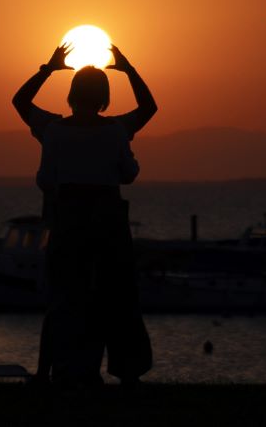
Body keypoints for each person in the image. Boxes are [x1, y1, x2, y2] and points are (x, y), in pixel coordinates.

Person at [12, 43, 157, 387]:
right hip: (109, 220)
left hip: (67, 217)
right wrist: (129, 69)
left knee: (63, 298)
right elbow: (149, 108)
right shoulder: (116, 130)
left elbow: (19, 102)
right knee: (118, 297)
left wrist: (47, 69)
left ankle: (49, 371)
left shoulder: (53, 130)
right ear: (104, 98)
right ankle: (128, 373)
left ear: (71, 95)